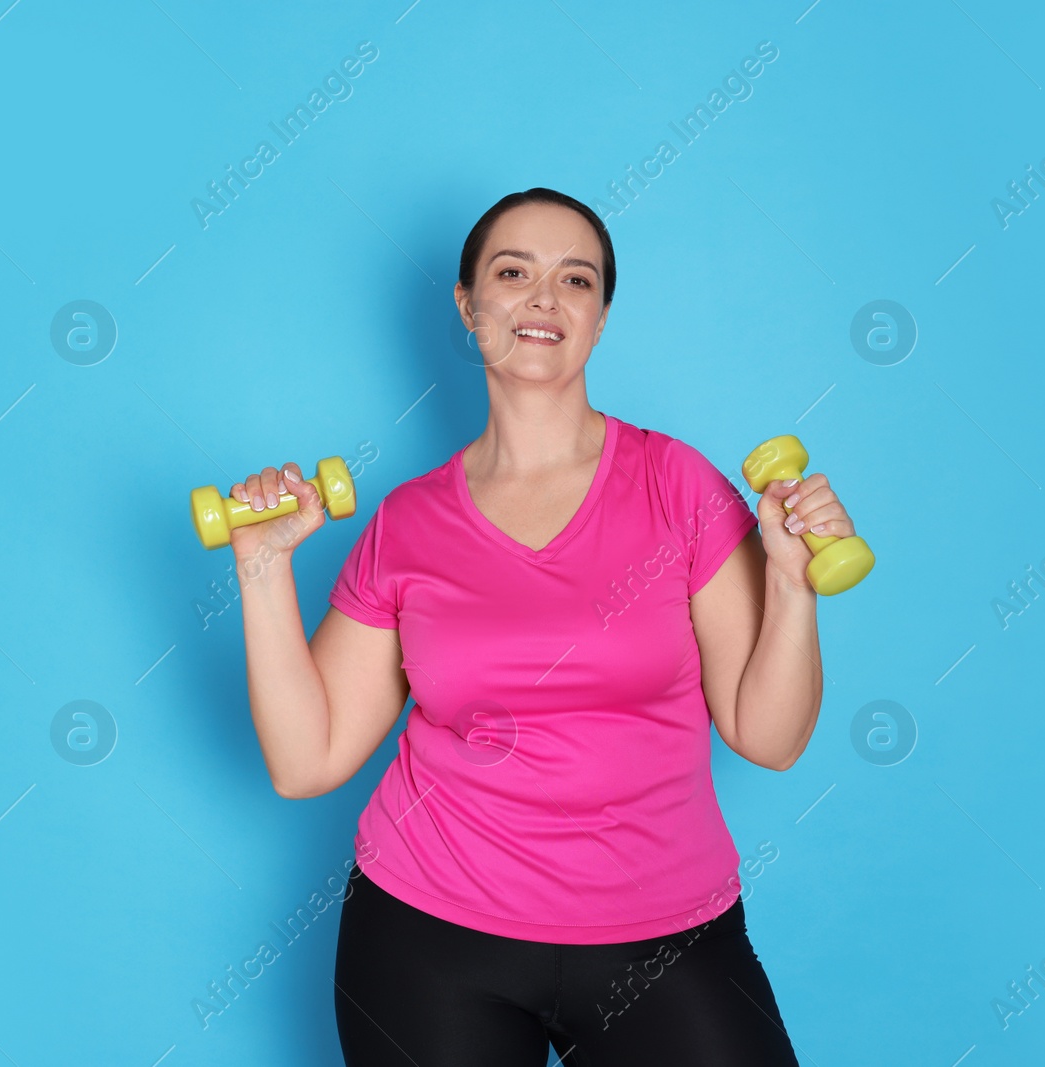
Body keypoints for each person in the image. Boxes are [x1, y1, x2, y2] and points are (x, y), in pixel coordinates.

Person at [227, 187, 855, 1065]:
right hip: (431, 932)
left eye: (577, 279)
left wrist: (792, 586)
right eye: (513, 272)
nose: (544, 299)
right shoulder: (407, 524)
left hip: (664, 936)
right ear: (468, 305)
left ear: (600, 317)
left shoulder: (680, 487)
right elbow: (307, 760)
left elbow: (770, 737)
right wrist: (262, 569)